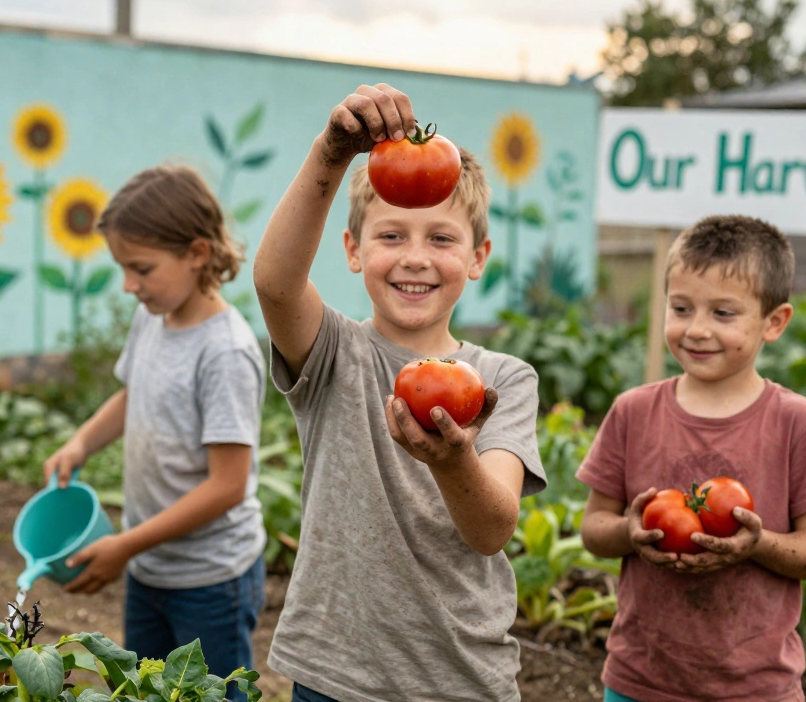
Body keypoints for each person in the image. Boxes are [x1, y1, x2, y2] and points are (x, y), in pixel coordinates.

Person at [252, 83, 547, 702]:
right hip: (334, 675)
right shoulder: (334, 352)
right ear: (354, 251)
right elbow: (276, 284)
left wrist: (453, 458)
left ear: (477, 256)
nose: (415, 258)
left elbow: (492, 529)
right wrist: (331, 154)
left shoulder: (504, 379)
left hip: (460, 679)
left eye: (441, 239)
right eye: (391, 237)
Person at [577, 214, 806, 702]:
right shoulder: (633, 411)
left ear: (774, 322)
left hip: (756, 687)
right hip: (638, 681)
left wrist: (757, 543)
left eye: (723, 314)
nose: (697, 330)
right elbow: (593, 528)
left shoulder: (799, 423)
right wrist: (630, 532)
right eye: (681, 308)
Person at [44, 165, 266, 700]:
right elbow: (132, 392)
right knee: (145, 690)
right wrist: (81, 441)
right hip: (150, 567)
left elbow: (228, 485)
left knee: (209, 694)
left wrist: (125, 545)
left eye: (140, 268)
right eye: (122, 268)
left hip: (211, 580)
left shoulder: (226, 352)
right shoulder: (153, 316)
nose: (128, 285)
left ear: (196, 252)